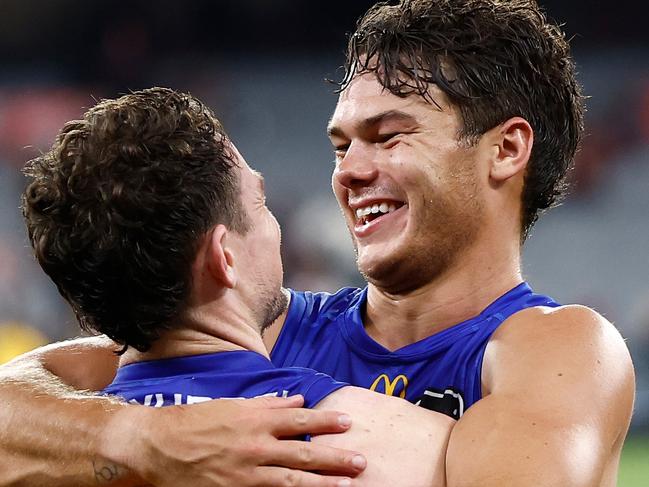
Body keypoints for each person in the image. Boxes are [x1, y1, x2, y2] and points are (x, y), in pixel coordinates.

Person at [0, 1, 635, 486]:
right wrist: (144, 437)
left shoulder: (558, 351)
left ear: (505, 150)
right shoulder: (254, 324)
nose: (349, 171)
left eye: (388, 136)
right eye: (341, 145)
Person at [13, 86, 453, 487]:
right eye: (259, 203)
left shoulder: (36, 458)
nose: (273, 224)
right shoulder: (372, 441)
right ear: (224, 257)